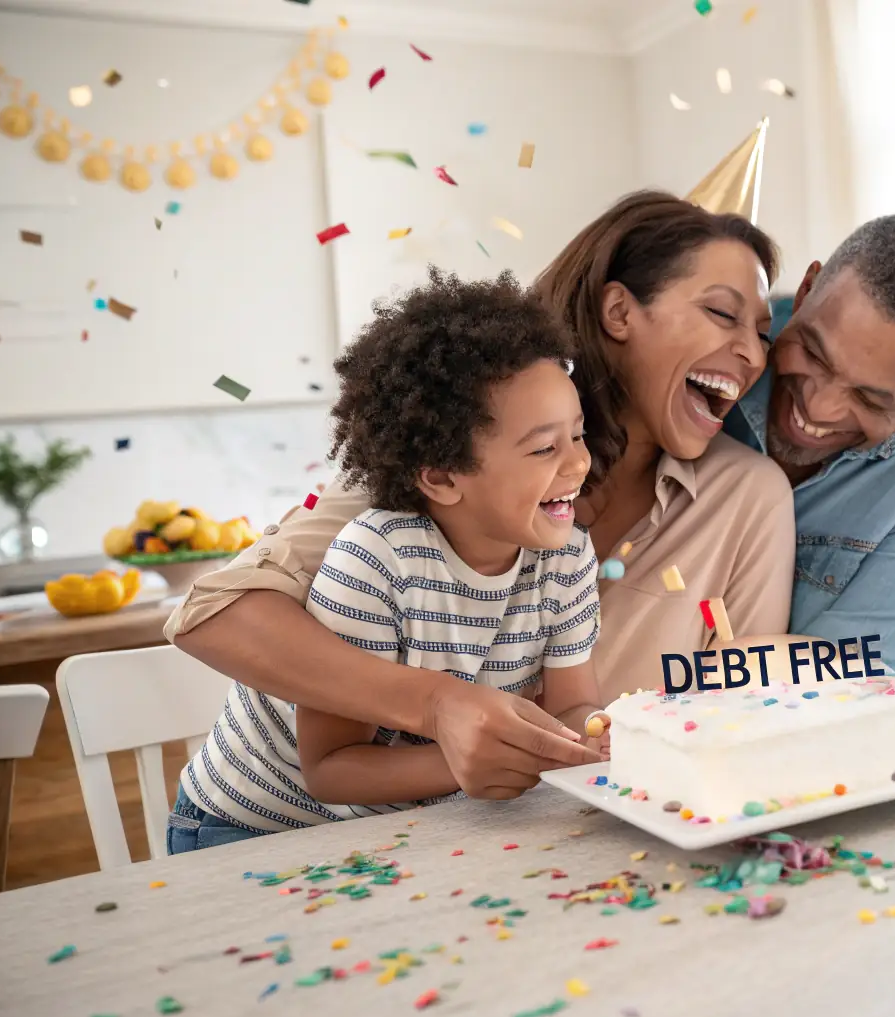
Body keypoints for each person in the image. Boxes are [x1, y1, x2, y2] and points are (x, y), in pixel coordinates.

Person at [165, 191, 795, 801]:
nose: (751, 353)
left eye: (764, 333)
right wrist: (439, 705)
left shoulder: (740, 501)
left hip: (486, 828)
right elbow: (213, 614)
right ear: (619, 312)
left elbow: (738, 701)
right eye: (722, 313)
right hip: (275, 821)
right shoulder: (448, 433)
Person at [169, 273, 609, 851]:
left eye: (578, 435)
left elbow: (574, 704)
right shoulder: (376, 559)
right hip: (252, 829)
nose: (578, 464)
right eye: (545, 447)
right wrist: (466, 761)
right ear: (442, 477)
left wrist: (591, 737)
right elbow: (332, 770)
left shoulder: (566, 557)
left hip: (403, 833)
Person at [724, 213, 895, 687]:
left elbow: (864, 680)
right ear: (807, 289)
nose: (819, 406)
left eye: (871, 399)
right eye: (814, 354)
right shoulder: (713, 351)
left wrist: (691, 674)